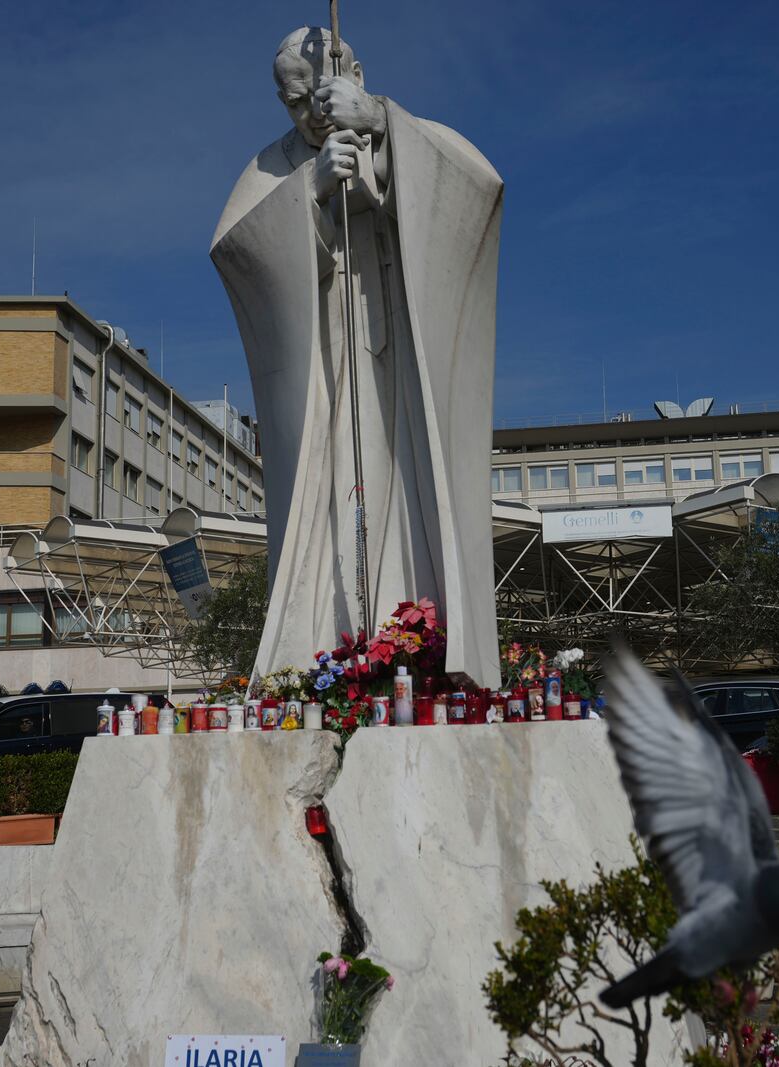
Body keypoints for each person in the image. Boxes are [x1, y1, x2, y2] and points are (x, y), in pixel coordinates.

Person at [211, 25, 503, 686]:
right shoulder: (271, 168)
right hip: (328, 379)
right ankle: (324, 650)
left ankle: (426, 647)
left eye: (320, 92)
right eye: (295, 103)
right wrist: (307, 194)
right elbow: (236, 250)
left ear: (357, 73)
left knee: (413, 491)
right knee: (333, 498)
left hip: (404, 361)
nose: (312, 110)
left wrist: (382, 134)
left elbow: (478, 192)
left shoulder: (409, 131)